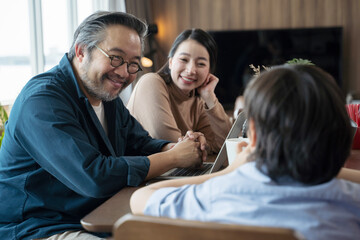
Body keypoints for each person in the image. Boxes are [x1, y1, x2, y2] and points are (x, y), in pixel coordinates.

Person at [0, 11, 207, 240]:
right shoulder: (42, 101)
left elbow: (140, 143)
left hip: (97, 214)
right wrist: (174, 158)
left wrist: (176, 147)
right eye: (116, 58)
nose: (123, 72)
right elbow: (93, 176)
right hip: (39, 227)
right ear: (81, 51)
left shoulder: (106, 97)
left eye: (133, 65)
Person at [130, 64, 360, 240]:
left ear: (254, 136)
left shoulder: (213, 196)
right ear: (340, 137)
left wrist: (230, 171)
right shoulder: (352, 201)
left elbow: (140, 199)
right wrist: (322, 168)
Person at [127, 29, 232, 154]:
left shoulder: (197, 101)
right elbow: (173, 147)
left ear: (209, 70)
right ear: (170, 62)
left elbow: (227, 146)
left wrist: (209, 96)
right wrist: (201, 144)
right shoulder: (151, 83)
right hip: (140, 171)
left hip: (172, 172)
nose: (191, 70)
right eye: (184, 59)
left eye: (201, 63)